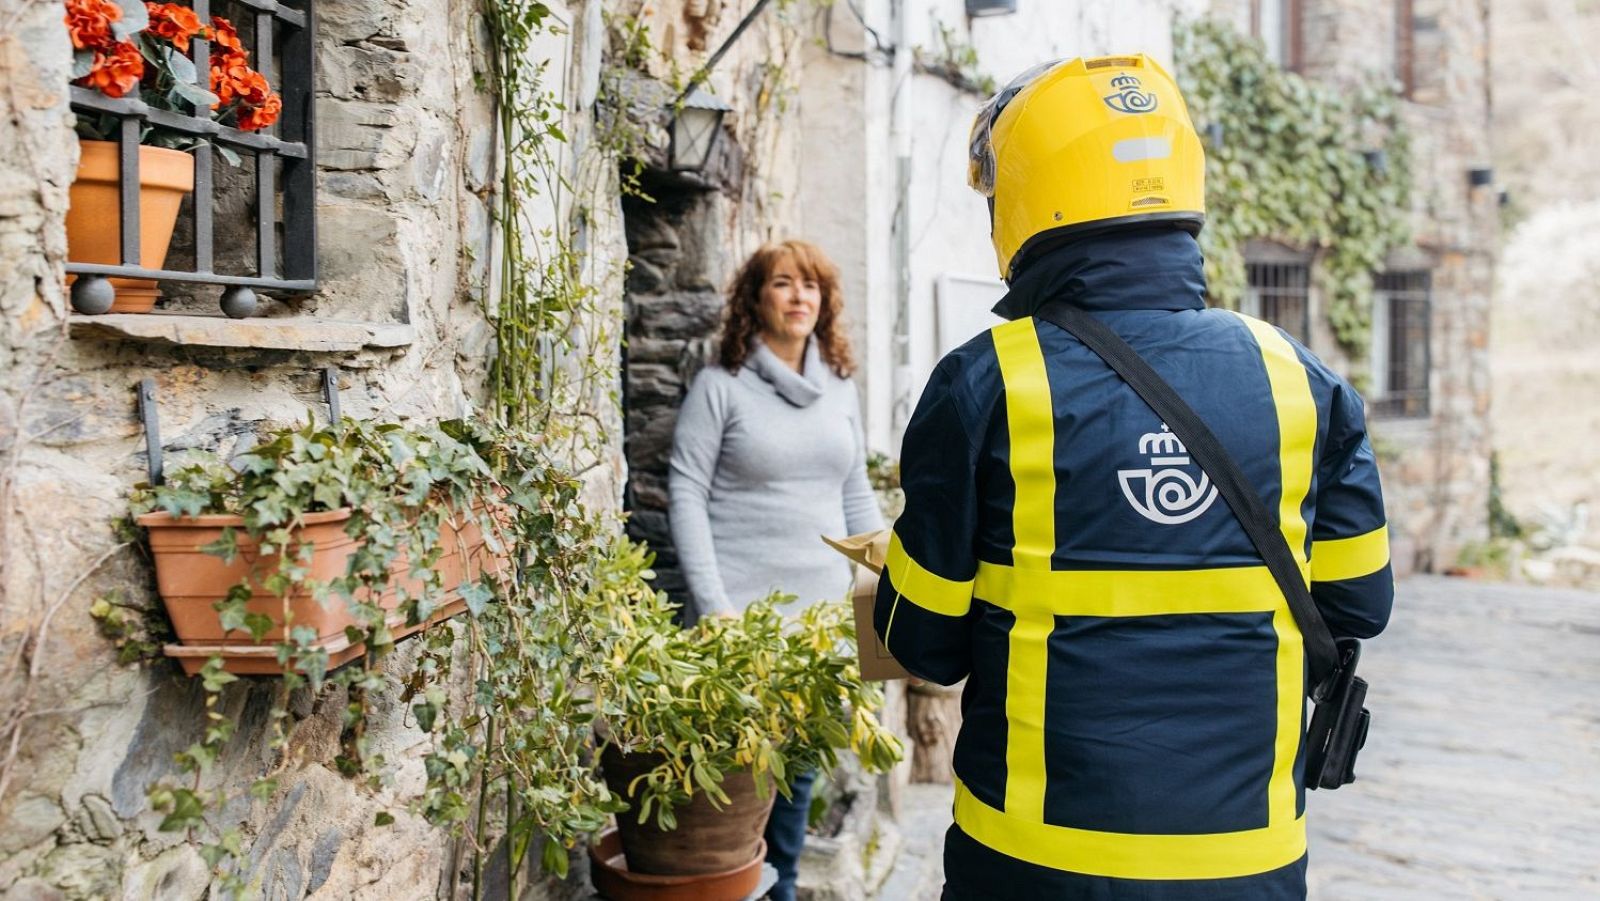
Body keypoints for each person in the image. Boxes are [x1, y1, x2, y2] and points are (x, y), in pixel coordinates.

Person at [873, 55, 1394, 900]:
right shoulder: (1300, 380)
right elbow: (1360, 605)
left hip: (1035, 864)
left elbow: (920, 640)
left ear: (1027, 199)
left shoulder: (989, 381)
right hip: (1245, 865)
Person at [668, 239, 884, 901]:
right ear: (755, 299)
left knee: (796, 775)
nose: (799, 296)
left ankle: (782, 888)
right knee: (735, 783)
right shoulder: (720, 386)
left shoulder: (840, 387)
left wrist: (878, 614)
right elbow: (686, 493)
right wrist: (715, 606)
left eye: (810, 285)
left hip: (819, 626)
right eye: (783, 283)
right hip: (740, 623)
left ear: (825, 301)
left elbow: (856, 496)